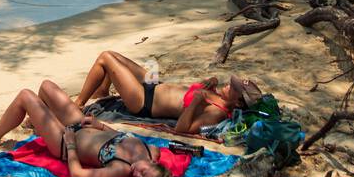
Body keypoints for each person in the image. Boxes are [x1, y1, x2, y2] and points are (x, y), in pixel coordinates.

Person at [0, 79, 184, 177]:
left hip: (64, 142)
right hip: (81, 124)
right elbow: (121, 137)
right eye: (143, 173)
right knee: (46, 87)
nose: (136, 176)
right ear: (153, 163)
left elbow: (78, 175)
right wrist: (101, 126)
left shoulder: (120, 170)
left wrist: (69, 145)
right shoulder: (151, 151)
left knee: (26, 96)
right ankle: (39, 123)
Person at [73, 50, 261, 130]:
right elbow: (190, 94)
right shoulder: (219, 95)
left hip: (144, 101)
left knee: (105, 58)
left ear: (237, 102)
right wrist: (209, 84)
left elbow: (182, 129)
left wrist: (195, 102)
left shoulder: (217, 113)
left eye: (234, 88)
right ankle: (102, 92)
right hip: (155, 86)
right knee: (114, 56)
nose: (229, 84)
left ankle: (78, 104)